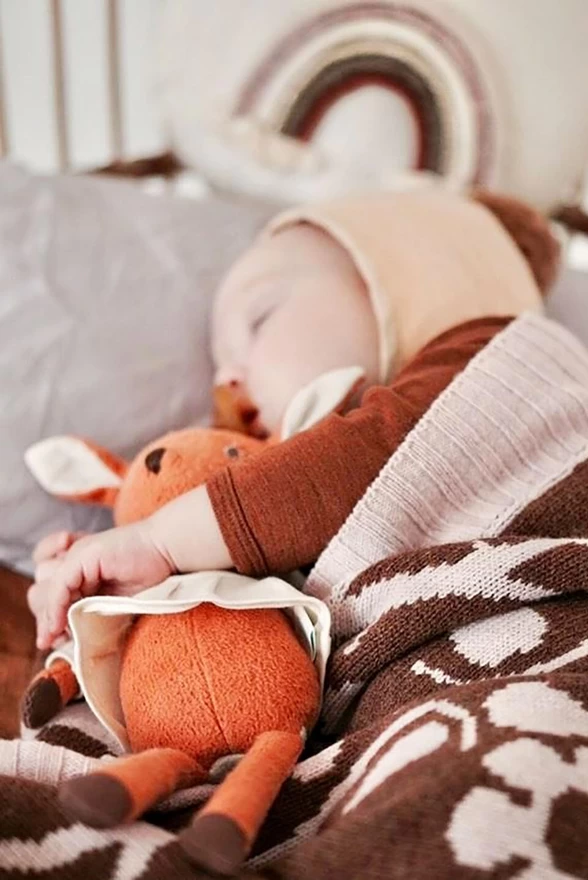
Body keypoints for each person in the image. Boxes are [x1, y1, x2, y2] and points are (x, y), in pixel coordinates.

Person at [28, 185, 558, 650]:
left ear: (401, 286)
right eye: (220, 362)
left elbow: (349, 464)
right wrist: (118, 606)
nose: (226, 380)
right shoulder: (317, 518)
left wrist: (159, 541)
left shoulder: (496, 357)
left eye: (259, 320)